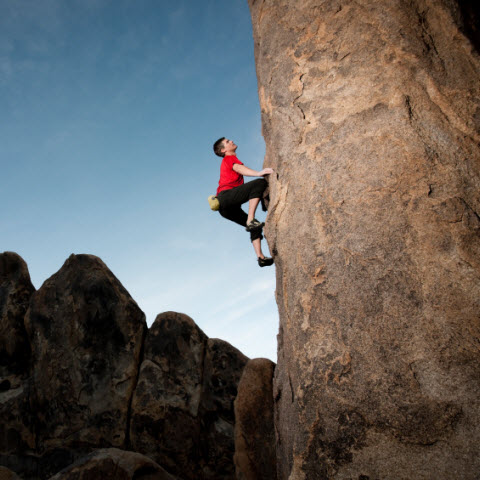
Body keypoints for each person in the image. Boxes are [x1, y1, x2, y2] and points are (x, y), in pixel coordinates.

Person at [213, 137, 274, 267]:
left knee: (255, 227)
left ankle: (260, 257)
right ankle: (250, 219)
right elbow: (240, 169)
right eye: (227, 142)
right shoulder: (229, 158)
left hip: (225, 209)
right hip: (226, 197)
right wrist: (259, 173)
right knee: (260, 183)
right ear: (224, 150)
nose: (231, 141)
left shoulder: (228, 159)